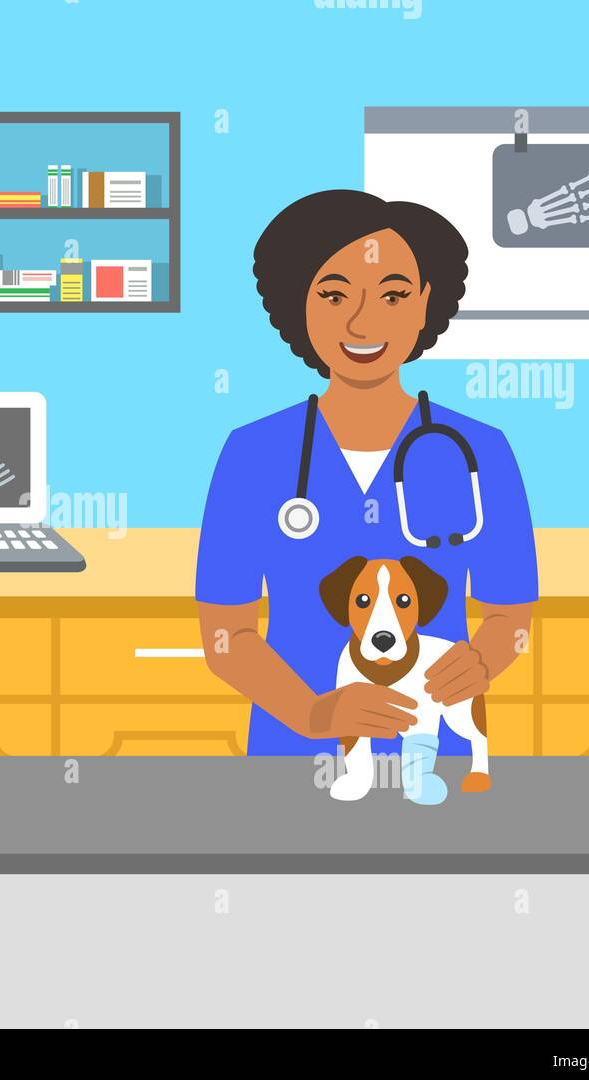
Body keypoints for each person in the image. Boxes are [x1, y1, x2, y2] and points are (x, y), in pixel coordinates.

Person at [195, 190, 538, 783]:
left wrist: (481, 661)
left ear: (427, 303)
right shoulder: (251, 456)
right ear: (295, 303)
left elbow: (512, 613)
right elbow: (226, 632)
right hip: (293, 758)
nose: (362, 323)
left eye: (394, 295)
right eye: (333, 295)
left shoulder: (482, 451)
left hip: (433, 755)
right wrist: (312, 711)